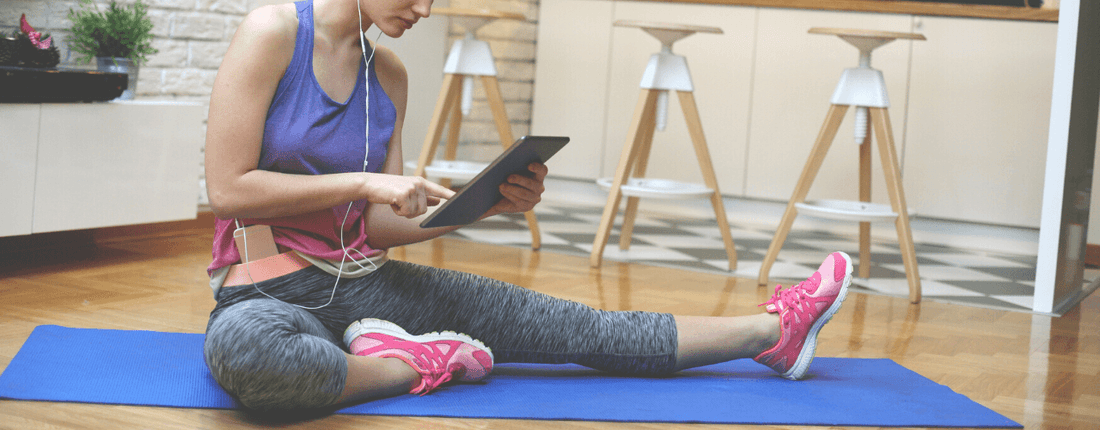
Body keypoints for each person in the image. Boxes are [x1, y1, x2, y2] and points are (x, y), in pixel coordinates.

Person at [202, 0, 853, 414]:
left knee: (577, 329)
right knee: (254, 359)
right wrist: (363, 184)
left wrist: (483, 205)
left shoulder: (390, 75)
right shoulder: (274, 32)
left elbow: (377, 227)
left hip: (369, 283)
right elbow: (227, 189)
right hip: (268, 292)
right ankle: (411, 364)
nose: (426, 8)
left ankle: (774, 331)